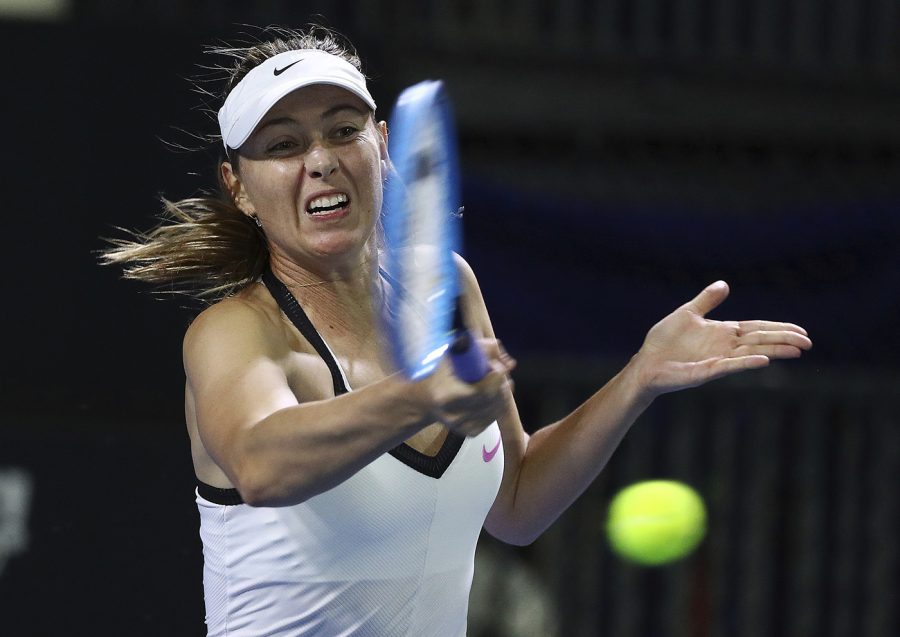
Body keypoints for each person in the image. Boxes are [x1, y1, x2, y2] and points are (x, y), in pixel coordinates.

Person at [102, 25, 812, 637]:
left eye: (343, 130)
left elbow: (516, 503)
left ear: (383, 145)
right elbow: (261, 466)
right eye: (283, 144)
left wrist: (638, 378)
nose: (320, 159)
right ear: (238, 187)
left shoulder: (446, 288)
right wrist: (420, 396)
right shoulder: (234, 330)